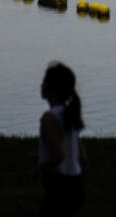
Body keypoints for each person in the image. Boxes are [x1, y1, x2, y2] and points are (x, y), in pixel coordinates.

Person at [35, 62, 86, 216]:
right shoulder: (70, 115)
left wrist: (39, 166)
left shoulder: (49, 118)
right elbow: (82, 157)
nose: (41, 85)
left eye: (44, 82)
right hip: (76, 183)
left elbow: (59, 155)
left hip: (59, 186)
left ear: (53, 91)